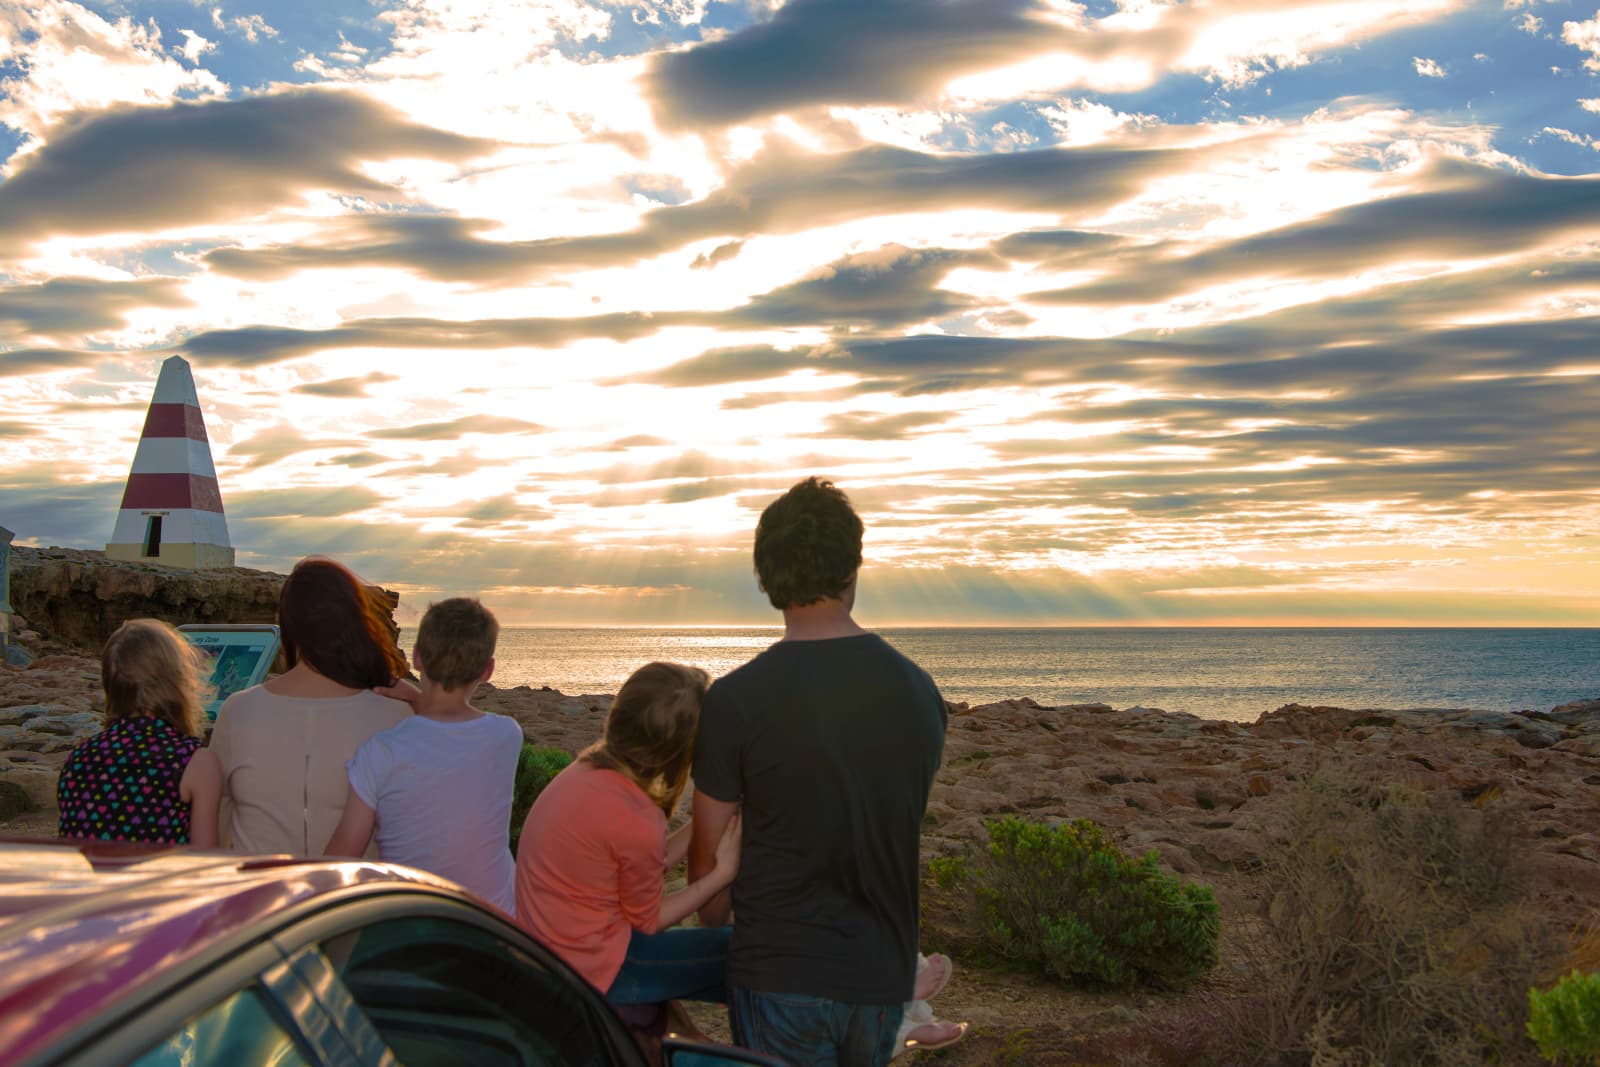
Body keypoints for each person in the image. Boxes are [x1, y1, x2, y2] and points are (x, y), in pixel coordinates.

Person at [688, 477, 959, 1065]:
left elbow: (709, 853)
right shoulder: (919, 693)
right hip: (880, 972)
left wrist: (717, 925)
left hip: (777, 971)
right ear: (851, 568)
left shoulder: (735, 701)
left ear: (766, 579)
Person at [516, 661, 741, 1010]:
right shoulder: (637, 817)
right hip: (597, 970)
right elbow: (648, 922)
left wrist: (701, 823)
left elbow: (645, 860)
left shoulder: (587, 770)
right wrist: (720, 878)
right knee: (748, 955)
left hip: (555, 953)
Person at [324, 597, 522, 915]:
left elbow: (344, 852)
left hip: (414, 925)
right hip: (493, 927)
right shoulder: (507, 736)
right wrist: (418, 699)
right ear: (488, 670)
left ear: (416, 658)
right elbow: (447, 734)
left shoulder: (380, 752)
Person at [208, 557, 411, 855]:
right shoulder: (396, 716)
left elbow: (219, 822)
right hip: (358, 897)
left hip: (259, 894)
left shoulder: (237, 711)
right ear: (356, 622)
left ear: (286, 624)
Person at [57, 619, 222, 846]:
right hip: (159, 881)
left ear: (109, 683)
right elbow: (204, 860)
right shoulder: (194, 761)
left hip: (94, 881)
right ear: (177, 681)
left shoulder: (79, 757)